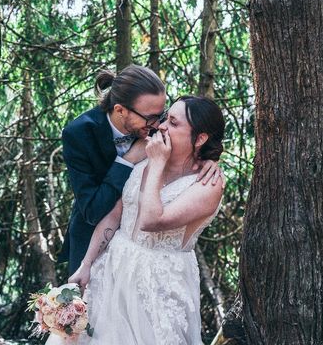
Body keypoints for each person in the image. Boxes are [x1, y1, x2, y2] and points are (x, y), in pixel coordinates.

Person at [0, 95, 226, 345]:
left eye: (173, 123)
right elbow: (115, 216)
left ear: (200, 138)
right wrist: (85, 265)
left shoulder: (208, 184)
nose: (161, 127)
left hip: (156, 288)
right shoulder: (145, 159)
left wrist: (156, 164)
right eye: (164, 119)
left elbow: (151, 220)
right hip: (110, 273)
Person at [58, 65, 222, 274]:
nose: (158, 125)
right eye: (152, 118)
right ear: (120, 110)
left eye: (162, 115)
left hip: (149, 260)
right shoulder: (79, 133)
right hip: (91, 241)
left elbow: (193, 138)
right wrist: (127, 161)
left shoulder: (152, 119)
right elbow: (92, 210)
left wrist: (207, 159)